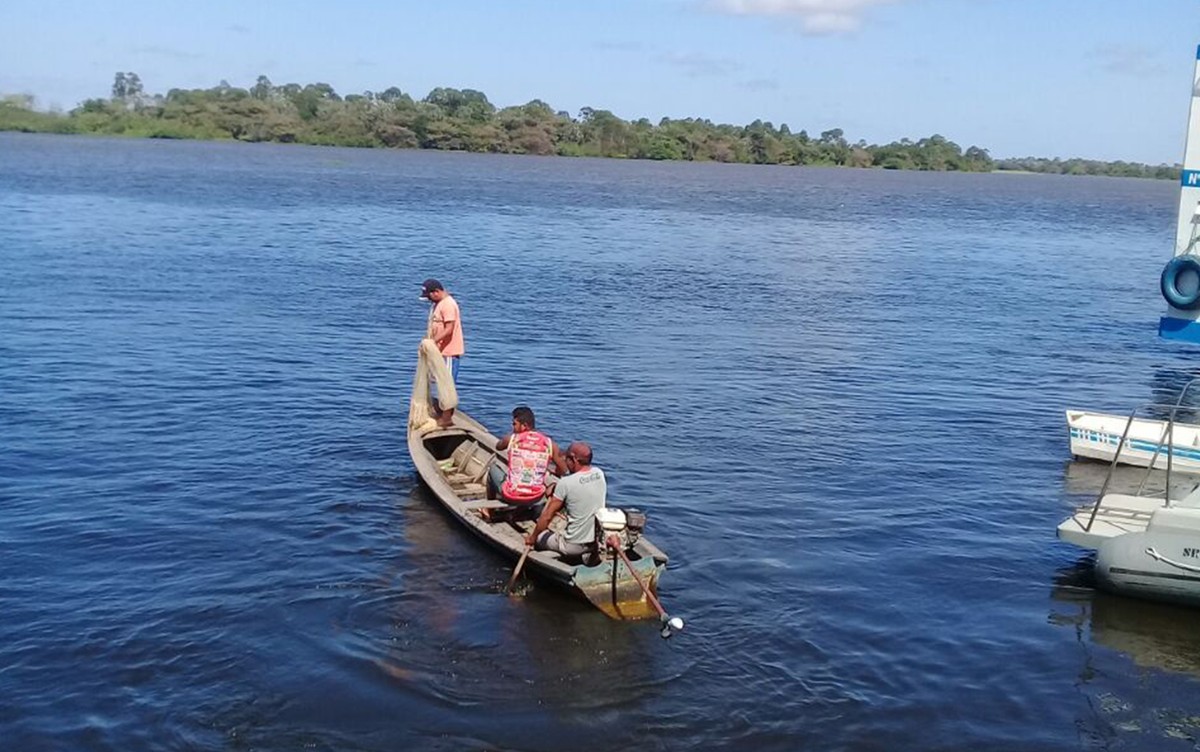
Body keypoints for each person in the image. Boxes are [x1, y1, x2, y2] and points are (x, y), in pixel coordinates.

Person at [525, 441, 606, 558]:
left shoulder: (566, 483)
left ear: (573, 459)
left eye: (567, 459)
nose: (566, 463)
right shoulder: (599, 473)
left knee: (540, 536)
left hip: (572, 546)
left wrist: (532, 538)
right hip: (595, 541)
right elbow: (578, 484)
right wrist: (556, 486)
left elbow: (547, 516)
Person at [485, 406, 559, 517]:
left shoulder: (512, 439)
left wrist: (512, 438)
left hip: (511, 495)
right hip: (536, 496)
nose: (512, 427)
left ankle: (489, 510)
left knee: (492, 469)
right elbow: (564, 470)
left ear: (524, 426)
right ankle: (522, 509)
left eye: (514, 424)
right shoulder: (549, 443)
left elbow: (498, 446)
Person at [420, 278, 464, 428]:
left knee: (447, 384)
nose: (428, 300)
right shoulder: (438, 304)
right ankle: (441, 409)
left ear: (436, 292)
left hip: (449, 353)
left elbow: (449, 329)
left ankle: (447, 418)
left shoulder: (448, 305)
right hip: (440, 352)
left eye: (429, 296)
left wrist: (432, 342)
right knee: (439, 383)